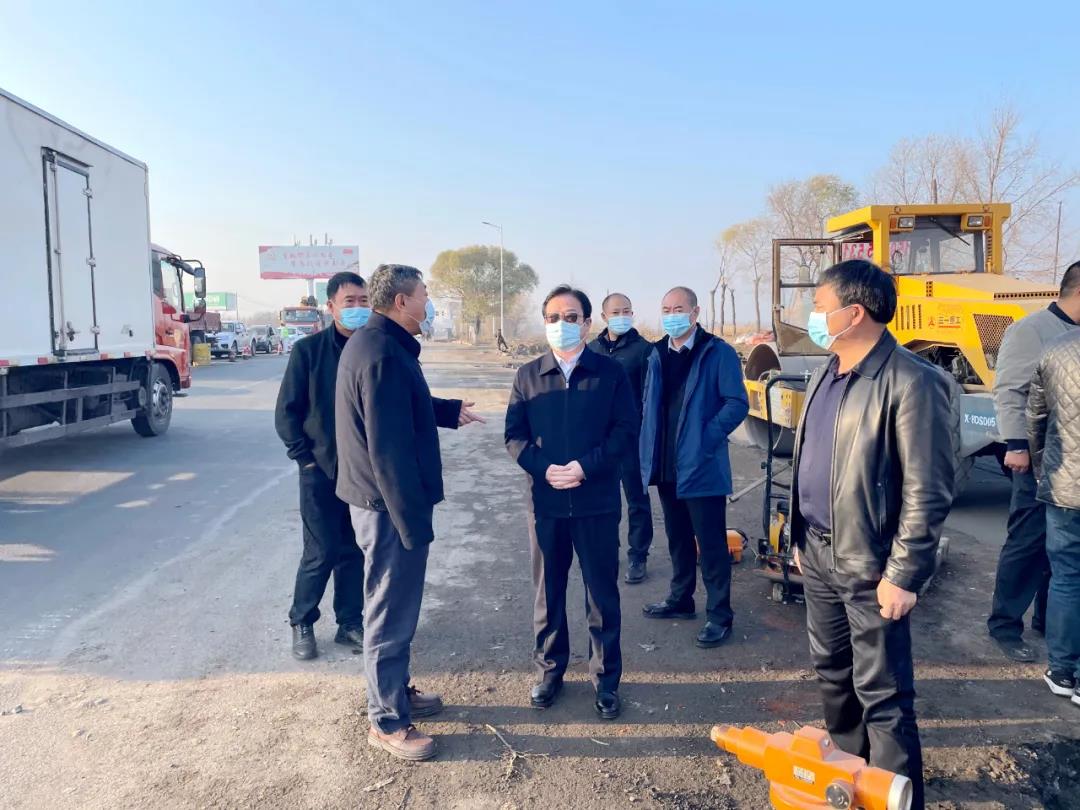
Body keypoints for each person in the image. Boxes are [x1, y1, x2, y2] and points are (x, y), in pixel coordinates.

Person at [790, 259, 955, 810]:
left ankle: (895, 798)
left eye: (819, 306)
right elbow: (809, 458)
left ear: (854, 312)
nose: (812, 316)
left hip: (871, 564)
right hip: (818, 553)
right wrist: (799, 536)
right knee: (833, 676)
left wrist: (904, 574)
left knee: (883, 696)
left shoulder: (913, 382)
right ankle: (851, 783)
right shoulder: (827, 371)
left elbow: (929, 489)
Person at [335, 264, 484, 762]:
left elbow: (400, 406)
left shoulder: (381, 344)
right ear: (401, 301)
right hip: (387, 507)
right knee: (389, 609)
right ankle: (387, 721)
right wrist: (411, 522)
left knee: (394, 606)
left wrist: (445, 410)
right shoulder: (381, 353)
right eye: (424, 293)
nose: (428, 302)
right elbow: (388, 449)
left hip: (380, 502)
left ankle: (395, 691)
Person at [505, 285, 637, 720]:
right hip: (545, 503)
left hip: (596, 500)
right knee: (549, 593)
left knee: (601, 594)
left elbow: (625, 430)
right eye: (553, 317)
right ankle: (549, 672)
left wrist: (585, 467)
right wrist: (544, 469)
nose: (561, 324)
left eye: (571, 317)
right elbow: (515, 436)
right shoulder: (528, 375)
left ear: (587, 323)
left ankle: (606, 680)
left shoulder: (610, 373)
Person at [639, 286, 748, 649]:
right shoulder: (656, 354)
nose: (671, 315)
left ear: (695, 313)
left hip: (701, 465)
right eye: (666, 309)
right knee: (678, 537)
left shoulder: (717, 352)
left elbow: (736, 403)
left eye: (678, 308)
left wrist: (706, 437)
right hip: (666, 464)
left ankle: (719, 615)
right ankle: (681, 599)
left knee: (711, 543)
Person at [275, 271, 370, 660]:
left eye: (364, 301)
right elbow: (287, 412)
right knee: (321, 550)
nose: (358, 308)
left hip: (361, 473)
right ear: (331, 307)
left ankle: (350, 623)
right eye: (350, 302)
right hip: (320, 471)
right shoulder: (308, 352)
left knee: (354, 550)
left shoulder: (372, 350)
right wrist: (306, 460)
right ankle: (302, 621)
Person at [988, 261, 1080, 662]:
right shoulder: (1032, 330)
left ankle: (1048, 620)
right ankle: (1005, 625)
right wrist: (1017, 445)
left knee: (1062, 551)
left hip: (1070, 462)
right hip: (1038, 458)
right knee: (1027, 542)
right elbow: (1010, 390)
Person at [1027, 327, 1080, 703]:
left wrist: (1041, 471)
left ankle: (1062, 671)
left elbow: (1036, 418)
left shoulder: (1056, 348)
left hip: (1064, 487)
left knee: (1066, 578)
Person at [588, 293, 656, 583]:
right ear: (604, 317)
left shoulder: (644, 351)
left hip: (631, 439)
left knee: (637, 500)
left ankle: (638, 555)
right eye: (616, 312)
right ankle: (606, 552)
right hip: (599, 441)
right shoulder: (591, 350)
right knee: (603, 500)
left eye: (626, 311)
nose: (622, 316)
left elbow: (650, 397)